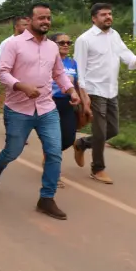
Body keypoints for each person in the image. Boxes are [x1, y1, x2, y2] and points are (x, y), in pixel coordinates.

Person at [0, 3, 80, 220]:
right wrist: (22, 86)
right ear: (30, 20)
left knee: (54, 153)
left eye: (48, 18)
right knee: (13, 151)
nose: (46, 21)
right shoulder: (14, 44)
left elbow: (59, 73)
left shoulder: (52, 47)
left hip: (47, 108)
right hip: (18, 109)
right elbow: (2, 73)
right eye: (41, 18)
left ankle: (46, 198)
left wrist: (71, 90)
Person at [73, 3, 136, 184]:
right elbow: (79, 69)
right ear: (94, 18)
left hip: (111, 90)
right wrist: (83, 95)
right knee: (100, 132)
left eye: (109, 14)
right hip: (94, 90)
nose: (108, 17)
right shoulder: (84, 40)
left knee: (113, 130)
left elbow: (125, 54)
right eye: (103, 14)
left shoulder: (114, 35)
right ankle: (97, 168)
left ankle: (82, 144)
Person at [49, 32, 80, 188]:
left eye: (69, 42)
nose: (66, 45)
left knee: (68, 137)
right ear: (53, 45)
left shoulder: (72, 63)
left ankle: (49, 155)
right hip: (50, 103)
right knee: (54, 139)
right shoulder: (47, 61)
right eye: (62, 43)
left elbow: (78, 84)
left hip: (68, 103)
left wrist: (83, 102)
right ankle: (53, 173)